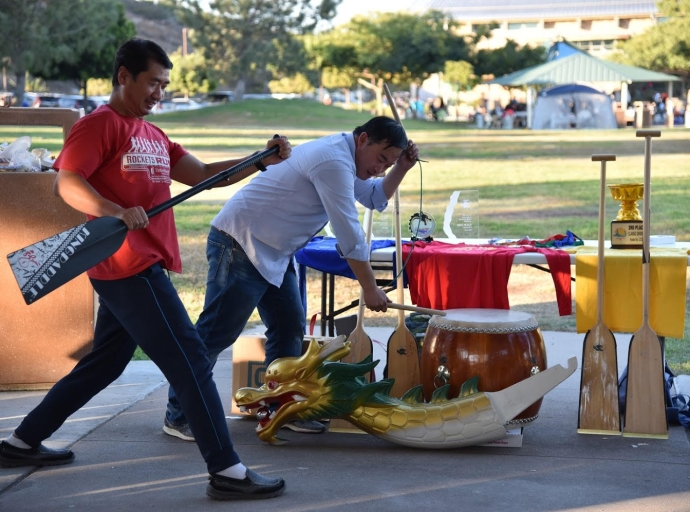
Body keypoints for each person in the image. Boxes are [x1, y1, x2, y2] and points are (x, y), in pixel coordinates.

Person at [0, 38, 292, 501]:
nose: (160, 92)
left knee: (105, 363)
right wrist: (113, 210)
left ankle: (21, 441)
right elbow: (67, 183)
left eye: (164, 84)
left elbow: (202, 174)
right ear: (123, 76)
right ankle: (227, 471)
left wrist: (259, 160)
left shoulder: (153, 135)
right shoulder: (101, 125)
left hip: (139, 264)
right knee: (192, 360)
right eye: (153, 82)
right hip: (128, 265)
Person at [163, 116, 419, 439]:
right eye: (382, 159)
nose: (381, 168)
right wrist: (369, 287)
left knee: (289, 326)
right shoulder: (333, 160)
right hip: (241, 240)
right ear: (363, 139)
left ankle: (281, 408)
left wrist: (402, 167)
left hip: (274, 250)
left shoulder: (345, 156)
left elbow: (373, 197)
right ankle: (178, 413)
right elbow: (349, 234)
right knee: (216, 332)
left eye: (389, 163)